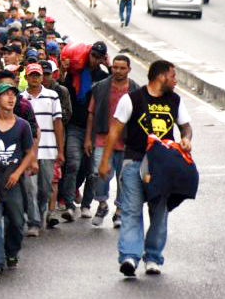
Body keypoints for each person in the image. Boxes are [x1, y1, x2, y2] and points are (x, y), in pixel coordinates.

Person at [99, 60, 192, 277]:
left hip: (163, 167)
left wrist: (186, 139)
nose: (175, 80)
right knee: (131, 210)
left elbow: (186, 127)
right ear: (161, 77)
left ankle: (152, 257)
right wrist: (105, 161)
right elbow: (114, 131)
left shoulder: (175, 101)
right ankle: (130, 257)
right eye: (173, 76)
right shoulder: (132, 99)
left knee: (159, 212)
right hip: (134, 162)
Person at [0, 84, 34, 276]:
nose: (11, 98)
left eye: (13, 95)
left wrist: (18, 172)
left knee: (17, 221)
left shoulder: (23, 125)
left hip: (14, 182)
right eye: (5, 95)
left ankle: (12, 252)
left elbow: (30, 153)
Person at [83, 55, 139, 227]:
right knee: (98, 174)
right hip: (102, 139)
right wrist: (88, 139)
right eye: (115, 67)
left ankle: (119, 212)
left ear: (129, 69)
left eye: (122, 68)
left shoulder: (136, 90)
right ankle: (102, 204)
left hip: (127, 142)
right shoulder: (100, 87)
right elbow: (91, 113)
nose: (118, 71)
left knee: (125, 178)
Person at [60, 41, 109, 222]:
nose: (95, 60)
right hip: (75, 126)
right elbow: (64, 92)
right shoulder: (76, 73)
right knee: (73, 164)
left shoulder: (104, 77)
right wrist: (64, 71)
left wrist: (110, 66)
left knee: (92, 170)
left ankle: (87, 204)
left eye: (99, 57)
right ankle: (69, 205)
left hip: (96, 131)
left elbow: (115, 90)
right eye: (93, 56)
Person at [21, 63, 64, 235]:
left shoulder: (52, 96)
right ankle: (34, 222)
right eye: (31, 75)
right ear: (26, 78)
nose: (35, 78)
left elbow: (58, 123)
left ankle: (39, 212)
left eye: (37, 75)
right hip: (29, 151)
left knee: (45, 188)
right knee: (30, 188)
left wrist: (61, 150)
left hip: (48, 149)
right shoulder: (20, 98)